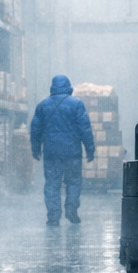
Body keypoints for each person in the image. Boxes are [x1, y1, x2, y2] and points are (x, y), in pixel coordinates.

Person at [29, 74, 95, 225]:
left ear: (52, 87)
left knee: (52, 183)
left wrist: (35, 148)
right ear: (68, 87)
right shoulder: (77, 104)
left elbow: (35, 129)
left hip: (51, 152)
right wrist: (90, 150)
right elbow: (85, 129)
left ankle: (53, 215)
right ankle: (71, 210)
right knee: (73, 182)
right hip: (72, 152)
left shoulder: (42, 105)